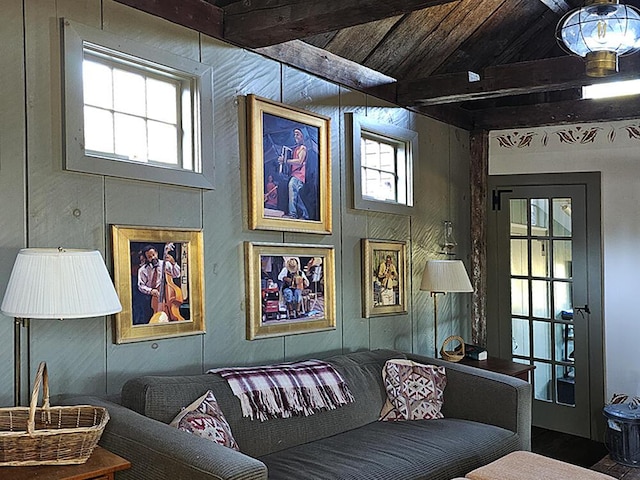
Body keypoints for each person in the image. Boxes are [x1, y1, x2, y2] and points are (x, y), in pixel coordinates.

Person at [137, 244, 182, 322]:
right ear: (146, 258)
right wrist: (151, 291)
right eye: (150, 257)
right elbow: (141, 286)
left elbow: (177, 274)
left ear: (157, 253)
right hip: (149, 297)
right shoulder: (142, 270)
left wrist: (173, 263)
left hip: (167, 293)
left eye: (153, 255)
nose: (153, 258)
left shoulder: (166, 264)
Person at [279, 128, 309, 219]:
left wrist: (285, 160)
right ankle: (305, 214)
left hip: (299, 175)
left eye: (298, 134)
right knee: (296, 196)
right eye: (295, 134)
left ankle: (293, 214)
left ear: (302, 137)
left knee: (292, 187)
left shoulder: (303, 148)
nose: (295, 136)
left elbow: (299, 162)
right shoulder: (295, 149)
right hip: (294, 174)